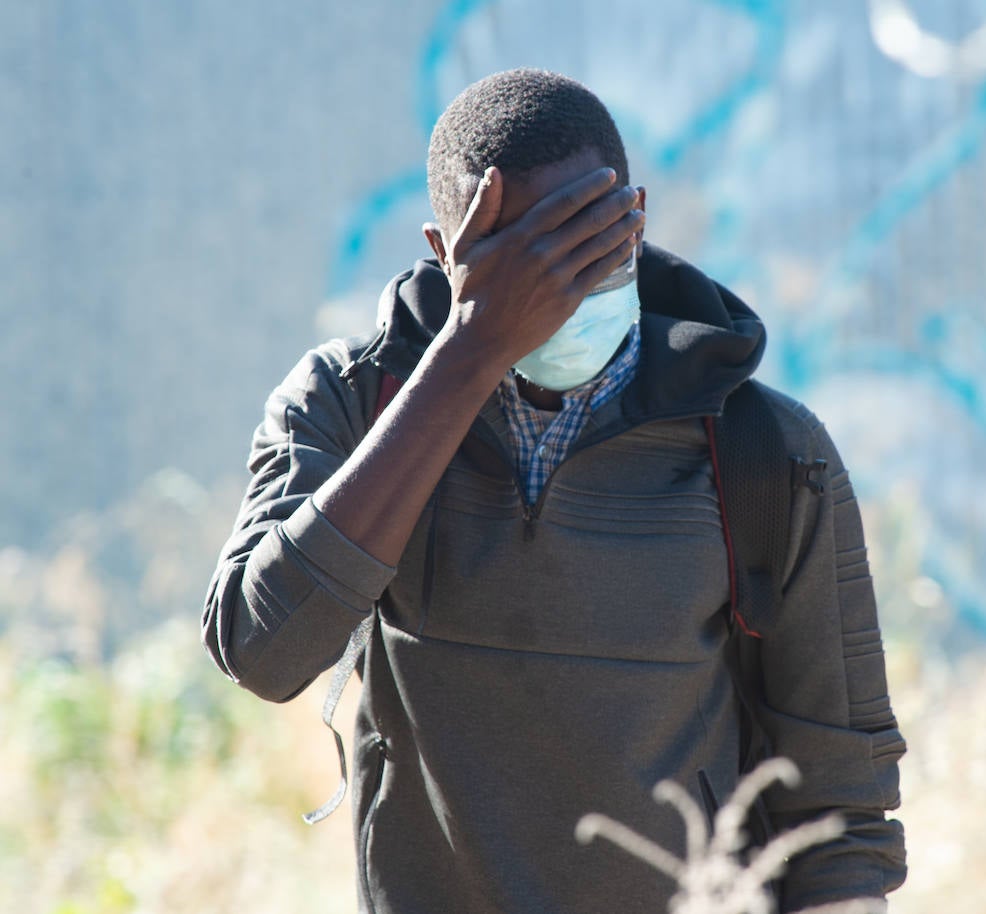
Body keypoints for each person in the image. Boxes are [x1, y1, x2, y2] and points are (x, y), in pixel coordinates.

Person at [203, 68, 905, 914]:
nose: (553, 291)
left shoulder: (766, 452)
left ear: (635, 220)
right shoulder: (353, 403)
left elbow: (839, 808)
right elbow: (261, 650)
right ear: (444, 253)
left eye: (583, 245)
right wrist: (470, 352)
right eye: (512, 261)